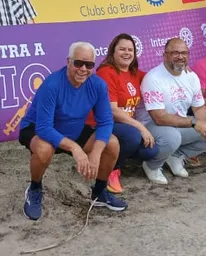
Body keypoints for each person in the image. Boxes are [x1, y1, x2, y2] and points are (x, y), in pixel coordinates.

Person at [17, 42, 127, 220]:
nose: (83, 69)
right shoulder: (52, 84)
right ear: (68, 61)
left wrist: (95, 153)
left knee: (111, 143)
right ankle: (35, 188)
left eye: (89, 65)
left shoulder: (98, 85)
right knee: (44, 150)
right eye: (78, 63)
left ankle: (99, 192)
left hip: (73, 129)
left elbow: (106, 122)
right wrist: (75, 149)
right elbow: (44, 128)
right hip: (37, 128)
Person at [138, 38, 206, 184]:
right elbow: (159, 118)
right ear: (165, 55)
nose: (180, 56)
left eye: (184, 53)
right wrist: (193, 123)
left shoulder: (191, 76)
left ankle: (176, 156)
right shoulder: (153, 78)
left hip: (179, 125)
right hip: (152, 127)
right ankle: (152, 165)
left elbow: (199, 107)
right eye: (175, 53)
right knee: (172, 137)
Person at [92, 34, 160, 194]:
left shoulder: (134, 73)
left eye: (130, 50)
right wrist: (141, 127)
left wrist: (178, 71)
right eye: (122, 49)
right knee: (133, 136)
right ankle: (111, 169)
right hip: (101, 123)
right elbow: (112, 110)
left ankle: (118, 158)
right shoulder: (106, 72)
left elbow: (158, 77)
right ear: (113, 52)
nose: (127, 53)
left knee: (150, 151)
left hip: (125, 125)